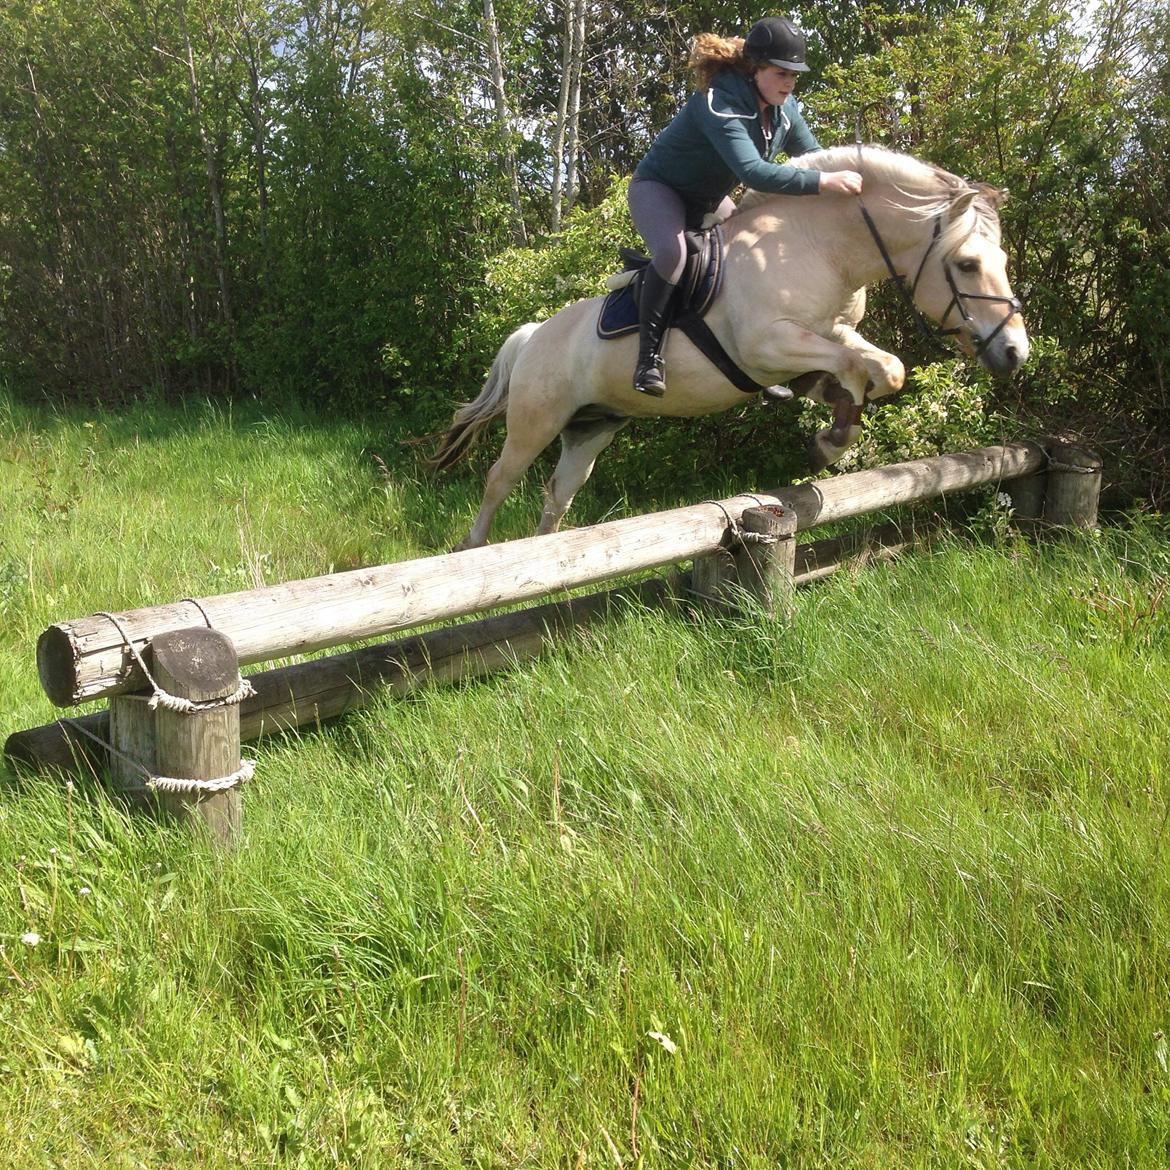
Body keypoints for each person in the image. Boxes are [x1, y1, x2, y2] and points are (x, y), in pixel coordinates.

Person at [627, 16, 863, 397]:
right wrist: (824, 183)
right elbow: (754, 173)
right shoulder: (718, 102)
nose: (789, 82)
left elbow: (815, 157)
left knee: (752, 251)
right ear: (755, 69)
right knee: (674, 254)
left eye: (794, 75)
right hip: (660, 189)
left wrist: (855, 177)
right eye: (780, 72)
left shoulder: (786, 110)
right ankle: (648, 359)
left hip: (708, 197)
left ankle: (755, 357)